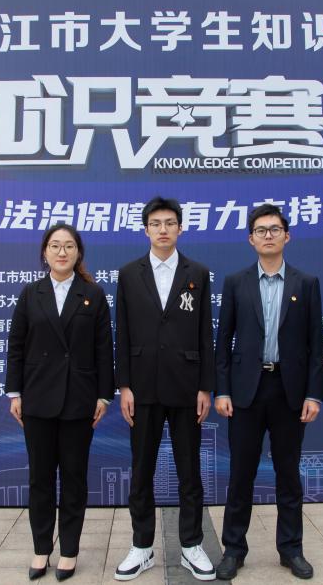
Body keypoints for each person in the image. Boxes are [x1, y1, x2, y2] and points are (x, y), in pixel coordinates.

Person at [213, 204, 323, 581]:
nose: (268, 235)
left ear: (286, 236)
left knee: (288, 474)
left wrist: (313, 395)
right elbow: (223, 342)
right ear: (251, 239)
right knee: (240, 474)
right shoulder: (236, 282)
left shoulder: (306, 283)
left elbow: (316, 346)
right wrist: (222, 390)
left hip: (288, 392)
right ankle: (234, 549)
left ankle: (291, 549)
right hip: (245, 392)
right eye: (260, 230)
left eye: (274, 229)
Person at [113, 197, 216, 582]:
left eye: (170, 223)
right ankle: (142, 546)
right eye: (155, 223)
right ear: (146, 230)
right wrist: (124, 385)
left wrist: (206, 386)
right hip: (142, 388)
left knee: (190, 471)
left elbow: (206, 333)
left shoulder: (198, 273)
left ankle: (191, 544)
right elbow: (122, 333)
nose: (163, 229)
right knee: (141, 470)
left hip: (187, 387)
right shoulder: (129, 274)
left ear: (180, 228)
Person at [6, 223, 115, 581]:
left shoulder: (92, 294)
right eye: (55, 245)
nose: (62, 252)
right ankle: (41, 549)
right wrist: (15, 393)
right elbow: (16, 346)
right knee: (40, 480)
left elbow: (104, 349)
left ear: (78, 252)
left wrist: (104, 395)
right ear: (45, 253)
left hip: (78, 401)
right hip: (37, 399)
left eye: (69, 246)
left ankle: (69, 551)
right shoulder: (31, 293)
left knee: (73, 479)